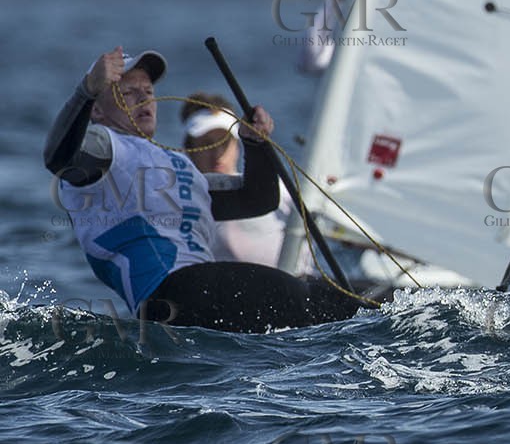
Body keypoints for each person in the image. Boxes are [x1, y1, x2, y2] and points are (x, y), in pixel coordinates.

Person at [43, 47, 364, 333]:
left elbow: (257, 200)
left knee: (336, 300)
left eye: (148, 91)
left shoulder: (177, 164)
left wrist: (254, 146)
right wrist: (85, 91)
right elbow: (58, 156)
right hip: (168, 294)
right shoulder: (104, 147)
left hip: (202, 295)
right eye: (128, 93)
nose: (144, 99)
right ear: (98, 111)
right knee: (303, 297)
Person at [180, 92, 302, 271]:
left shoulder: (281, 193)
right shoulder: (180, 201)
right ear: (189, 149)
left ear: (237, 145)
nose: (217, 154)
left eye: (224, 142)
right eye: (207, 144)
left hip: (292, 287)